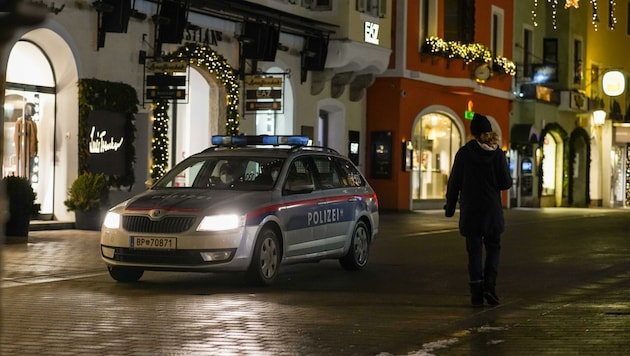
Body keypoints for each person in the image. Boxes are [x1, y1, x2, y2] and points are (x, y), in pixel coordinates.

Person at [444, 113, 512, 307]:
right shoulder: (497, 154)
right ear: (489, 132)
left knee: (473, 252)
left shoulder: (464, 153)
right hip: (491, 211)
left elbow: (454, 183)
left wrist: (449, 208)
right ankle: (490, 287)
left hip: (471, 210)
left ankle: (476, 292)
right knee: (493, 249)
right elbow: (506, 183)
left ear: (473, 133)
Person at [14, 102, 38, 178]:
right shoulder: (20, 122)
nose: (33, 111)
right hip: (24, 152)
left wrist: (35, 150)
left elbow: (35, 139)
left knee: (30, 172)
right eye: (32, 108)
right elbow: (16, 139)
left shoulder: (33, 123)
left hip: (31, 153)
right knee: (23, 172)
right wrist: (18, 153)